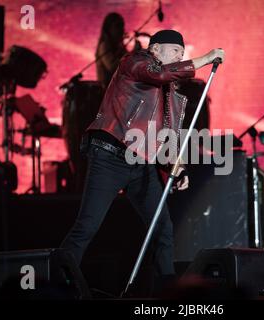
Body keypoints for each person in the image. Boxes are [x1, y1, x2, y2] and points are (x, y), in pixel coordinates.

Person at [61, 29, 225, 294]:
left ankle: (169, 291)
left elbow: (167, 135)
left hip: (142, 165)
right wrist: (206, 59)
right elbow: (158, 73)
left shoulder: (170, 96)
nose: (180, 57)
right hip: (111, 155)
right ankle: (59, 284)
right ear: (155, 49)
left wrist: (178, 166)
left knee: (163, 228)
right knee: (87, 225)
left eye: (183, 54)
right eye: (175, 52)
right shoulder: (134, 62)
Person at [95, 12, 127, 89]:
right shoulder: (104, 46)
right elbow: (112, 67)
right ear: (108, 29)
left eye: (122, 26)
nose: (122, 30)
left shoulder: (119, 46)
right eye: (117, 26)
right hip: (106, 92)